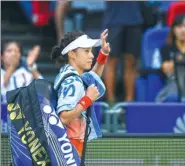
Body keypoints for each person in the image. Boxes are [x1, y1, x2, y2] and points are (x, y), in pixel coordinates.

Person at [51, 29, 110, 157]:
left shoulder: (71, 75)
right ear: (72, 54)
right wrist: (87, 100)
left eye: (91, 51)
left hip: (68, 146)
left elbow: (92, 79)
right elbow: (64, 117)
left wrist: (103, 54)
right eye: (86, 51)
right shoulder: (72, 81)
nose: (91, 56)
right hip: (68, 149)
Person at [102, 1, 143, 104]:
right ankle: (110, 102)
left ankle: (129, 102)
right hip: (113, 20)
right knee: (111, 61)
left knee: (131, 62)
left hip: (134, 19)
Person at [156, 14, 185, 102]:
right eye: (179, 26)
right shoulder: (166, 49)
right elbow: (165, 69)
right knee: (172, 96)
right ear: (173, 29)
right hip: (174, 84)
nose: (183, 30)